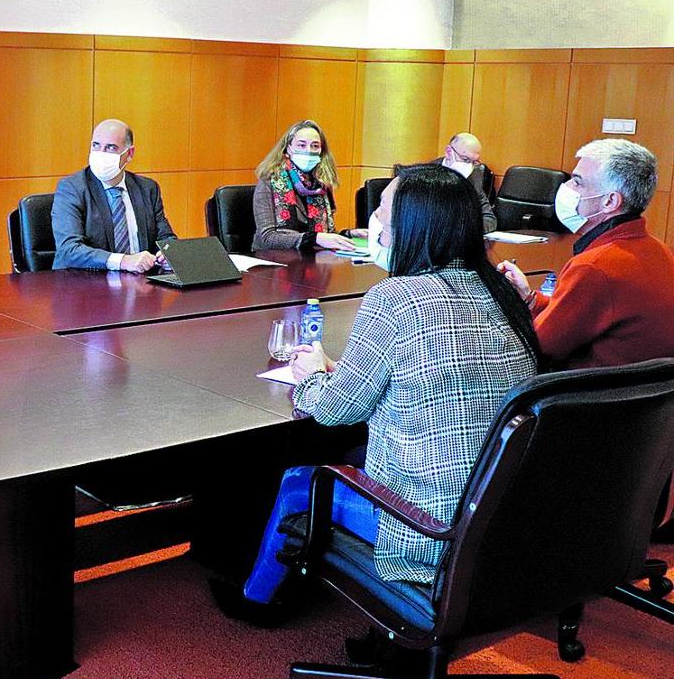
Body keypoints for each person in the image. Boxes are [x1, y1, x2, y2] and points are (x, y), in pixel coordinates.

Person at [213, 164, 540, 621]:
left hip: (429, 528)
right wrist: (347, 371)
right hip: (502, 518)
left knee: (298, 483)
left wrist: (311, 376)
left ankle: (257, 602)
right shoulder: (499, 290)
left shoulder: (397, 298)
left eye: (383, 212)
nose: (375, 225)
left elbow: (334, 410)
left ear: (412, 225)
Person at [498, 139, 674, 370]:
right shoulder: (660, 250)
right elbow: (582, 317)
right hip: (643, 390)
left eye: (577, 182)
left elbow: (540, 346)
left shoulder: (594, 266)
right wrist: (530, 298)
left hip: (588, 389)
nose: (566, 187)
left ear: (610, 201)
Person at [51, 118, 176, 272]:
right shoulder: (72, 188)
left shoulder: (147, 188)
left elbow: (166, 238)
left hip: (140, 281)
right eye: (96, 146)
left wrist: (168, 254)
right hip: (86, 281)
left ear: (129, 154)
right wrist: (123, 261)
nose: (101, 154)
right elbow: (69, 250)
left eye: (110, 148)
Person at [252, 120, 363, 252]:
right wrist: (313, 239)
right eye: (301, 145)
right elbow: (267, 237)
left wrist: (349, 234)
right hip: (272, 258)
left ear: (322, 151)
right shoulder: (270, 180)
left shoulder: (322, 183)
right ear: (288, 148)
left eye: (315, 146)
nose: (308, 151)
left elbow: (327, 234)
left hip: (312, 257)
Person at [425, 132, 497, 233]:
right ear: (448, 152)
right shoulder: (426, 175)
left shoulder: (475, 175)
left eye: (474, 161)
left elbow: (489, 217)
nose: (470, 165)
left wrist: (469, 230)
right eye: (465, 159)